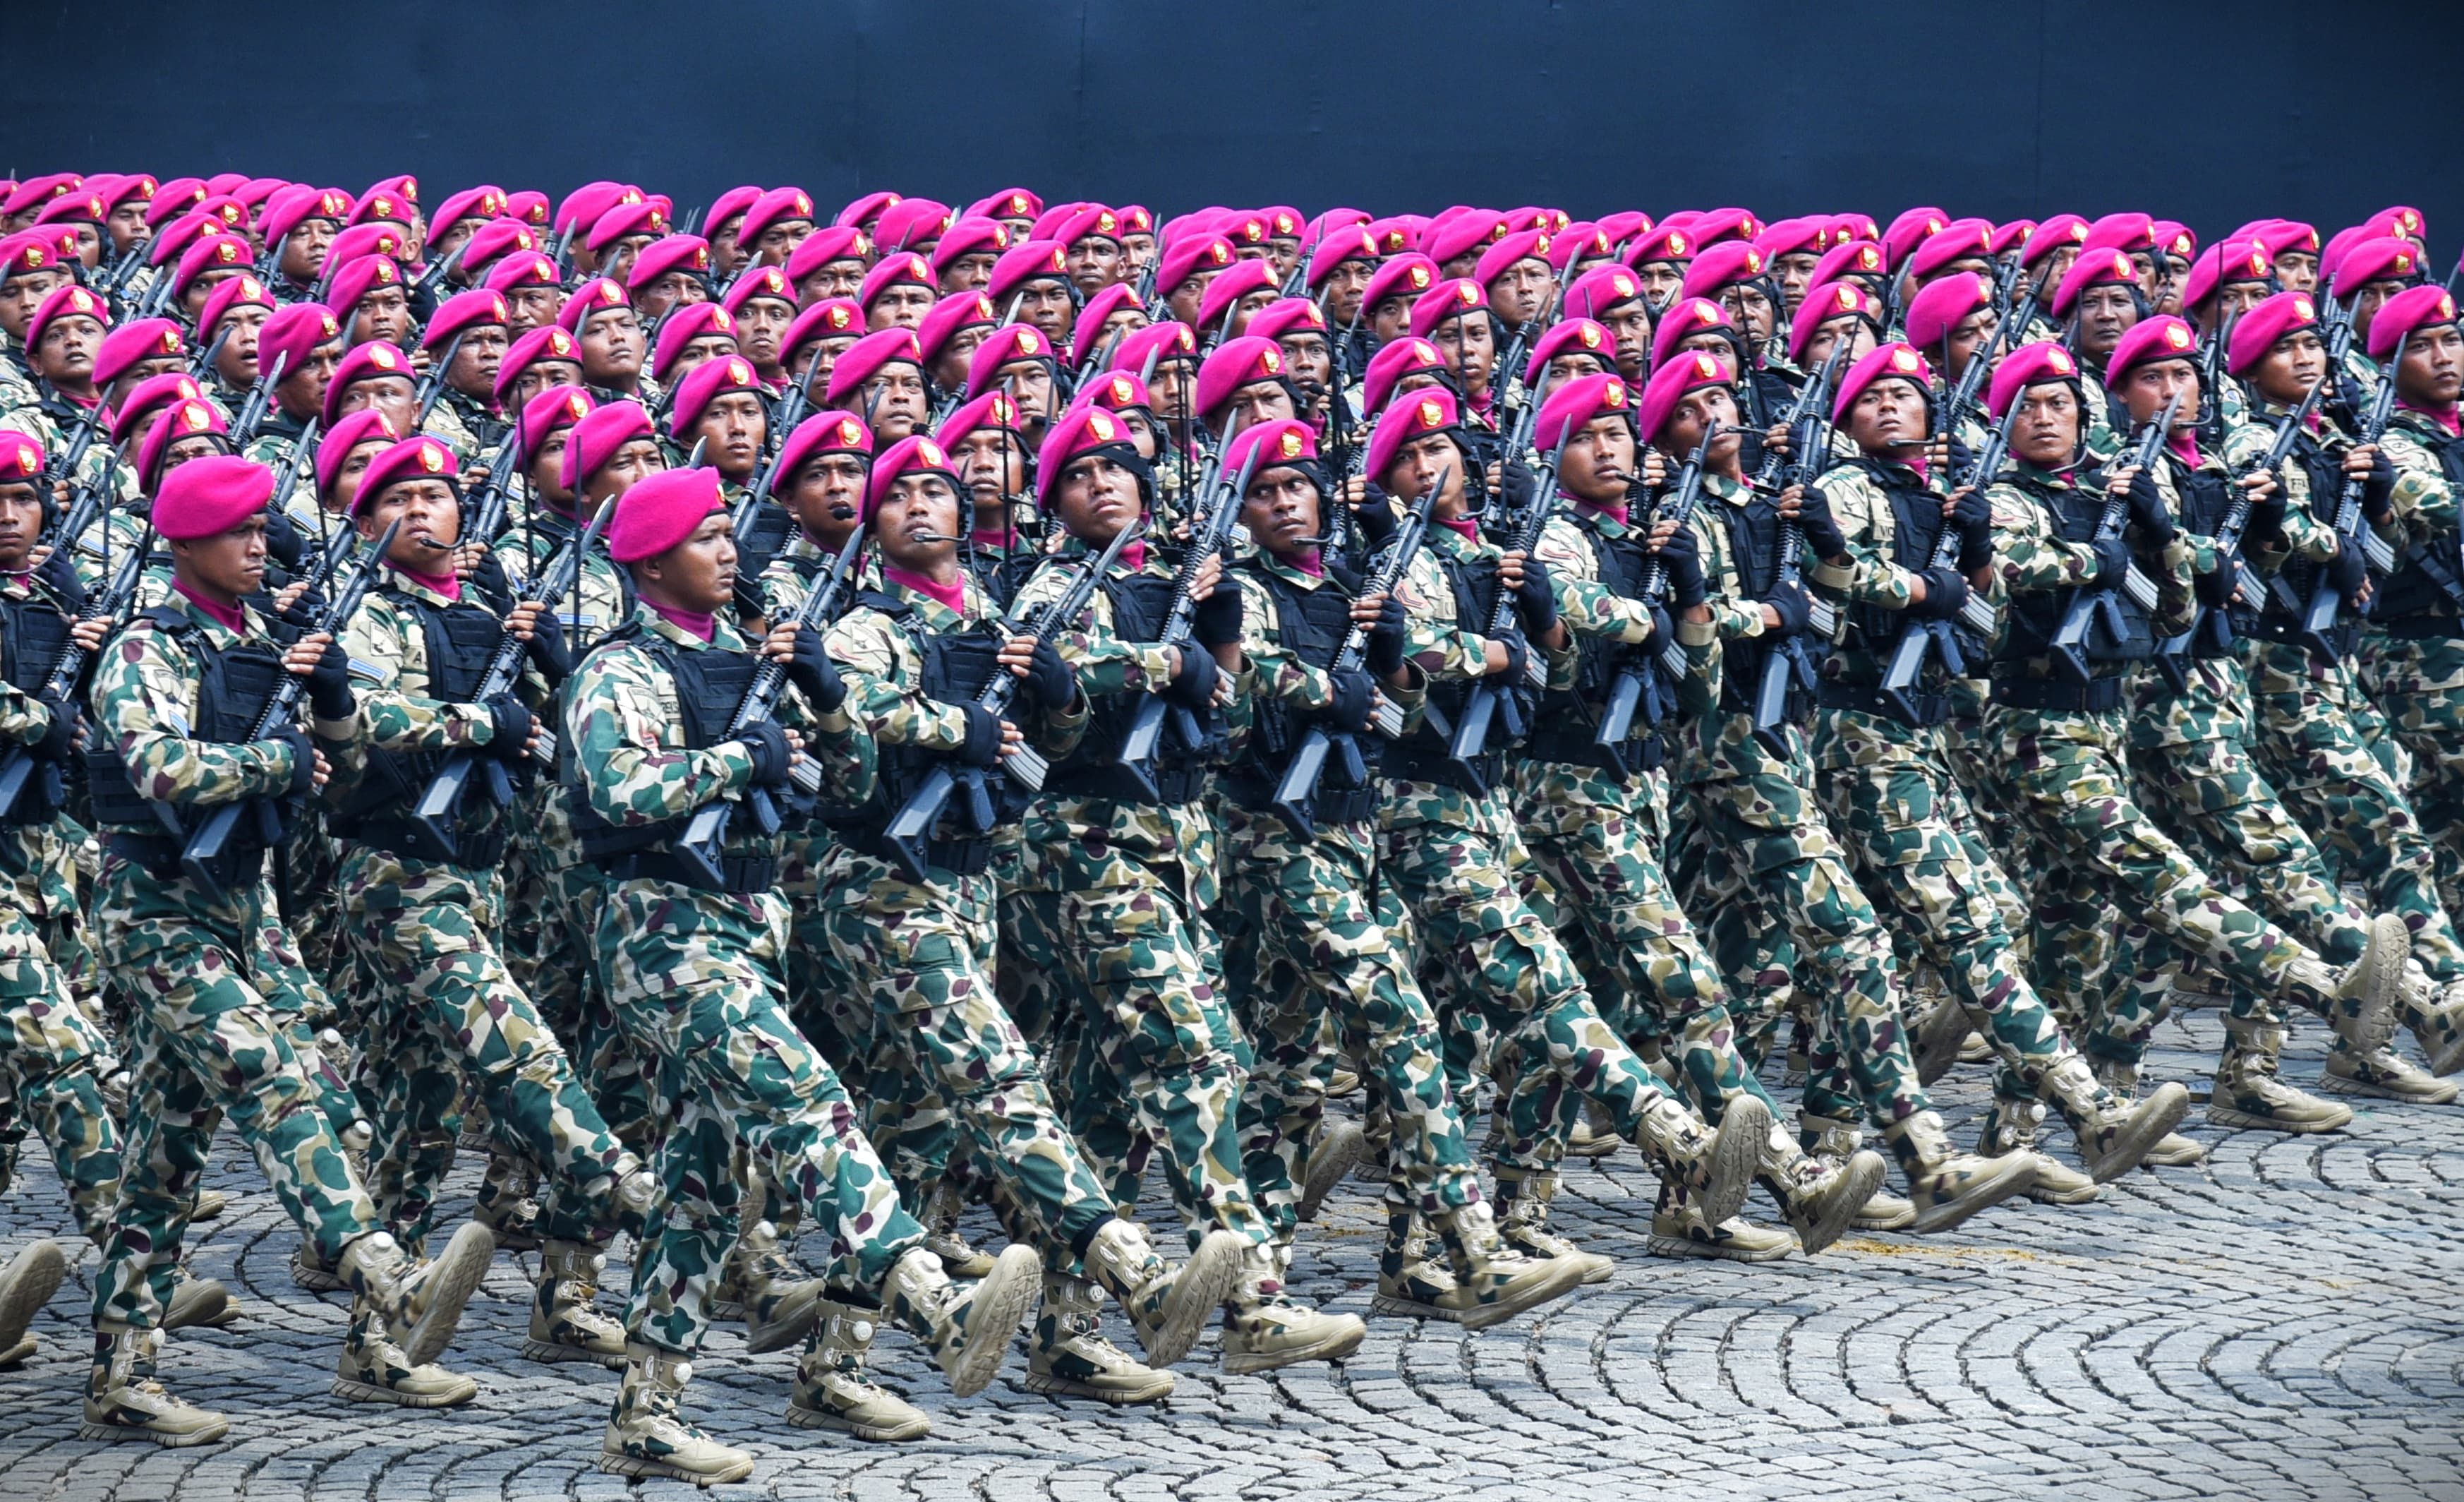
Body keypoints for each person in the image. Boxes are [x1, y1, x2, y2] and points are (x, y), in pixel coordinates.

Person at [564, 464, 1039, 1483]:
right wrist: (741, 759)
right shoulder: (620, 669)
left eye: (724, 533)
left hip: (744, 929)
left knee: (699, 1180)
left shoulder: (746, 659)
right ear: (651, 565)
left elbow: (847, 787)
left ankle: (646, 1411)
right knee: (807, 1102)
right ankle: (932, 1298)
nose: (726, 551)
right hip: (664, 935)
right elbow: (620, 788)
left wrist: (824, 700)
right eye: (703, 538)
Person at [80, 454, 496, 1443]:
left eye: (263, 530)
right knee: (270, 1076)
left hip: (239, 906)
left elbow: (339, 770)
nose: (258, 547)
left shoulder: (268, 641)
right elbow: (162, 768)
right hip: (156, 909)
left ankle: (122, 1371)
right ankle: (383, 1271)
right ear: (186, 544)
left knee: (167, 1150)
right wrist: (277, 757)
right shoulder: (147, 647)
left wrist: (336, 702)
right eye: (237, 533)